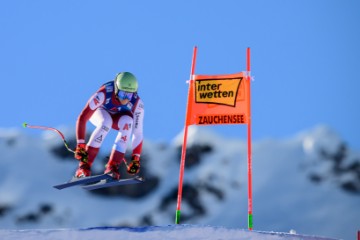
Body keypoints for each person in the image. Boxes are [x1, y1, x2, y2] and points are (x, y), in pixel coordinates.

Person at [74, 72, 144, 180]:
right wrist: (80, 144)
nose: (125, 99)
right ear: (116, 88)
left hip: (119, 117)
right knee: (106, 122)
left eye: (129, 95)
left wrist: (136, 158)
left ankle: (112, 167)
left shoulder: (137, 103)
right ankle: (84, 166)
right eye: (122, 94)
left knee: (128, 122)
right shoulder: (104, 93)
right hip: (101, 112)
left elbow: (137, 132)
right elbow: (83, 117)